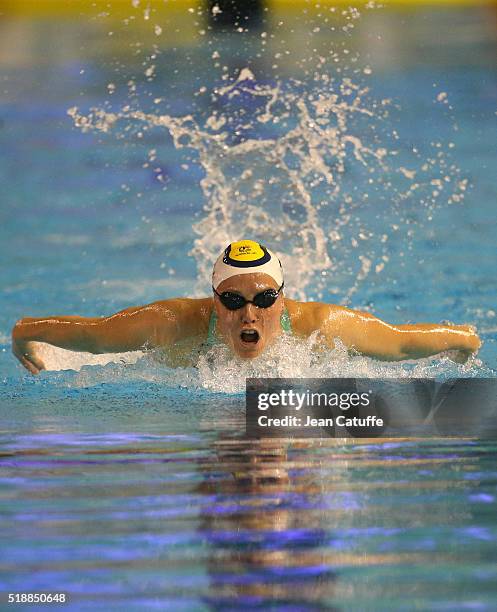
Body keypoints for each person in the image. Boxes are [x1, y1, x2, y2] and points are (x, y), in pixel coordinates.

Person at [12, 239, 481, 374]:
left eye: (264, 300)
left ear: (284, 298)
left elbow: (400, 344)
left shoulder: (321, 326)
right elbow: (93, 337)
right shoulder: (174, 323)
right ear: (215, 300)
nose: (249, 315)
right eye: (233, 301)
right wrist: (24, 336)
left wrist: (462, 341)